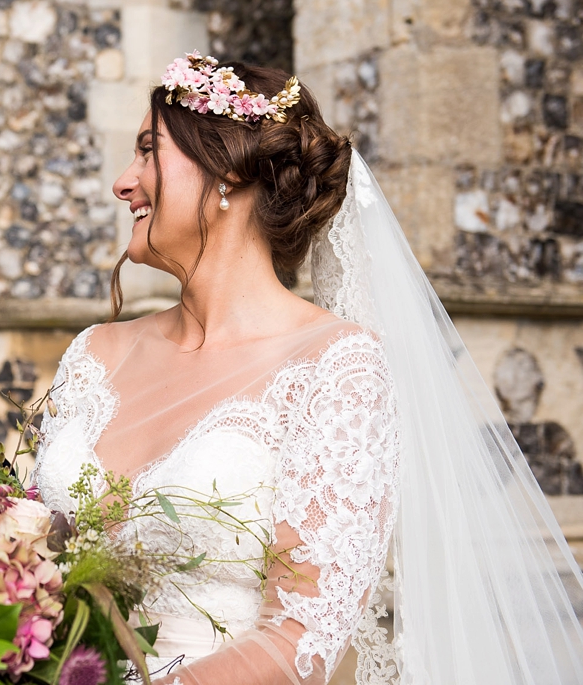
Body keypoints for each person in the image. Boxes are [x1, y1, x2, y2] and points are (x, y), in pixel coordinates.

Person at [33, 53, 583, 684]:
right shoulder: (93, 355)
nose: (123, 182)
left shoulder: (336, 370)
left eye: (148, 152)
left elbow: (301, 638)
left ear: (227, 177)